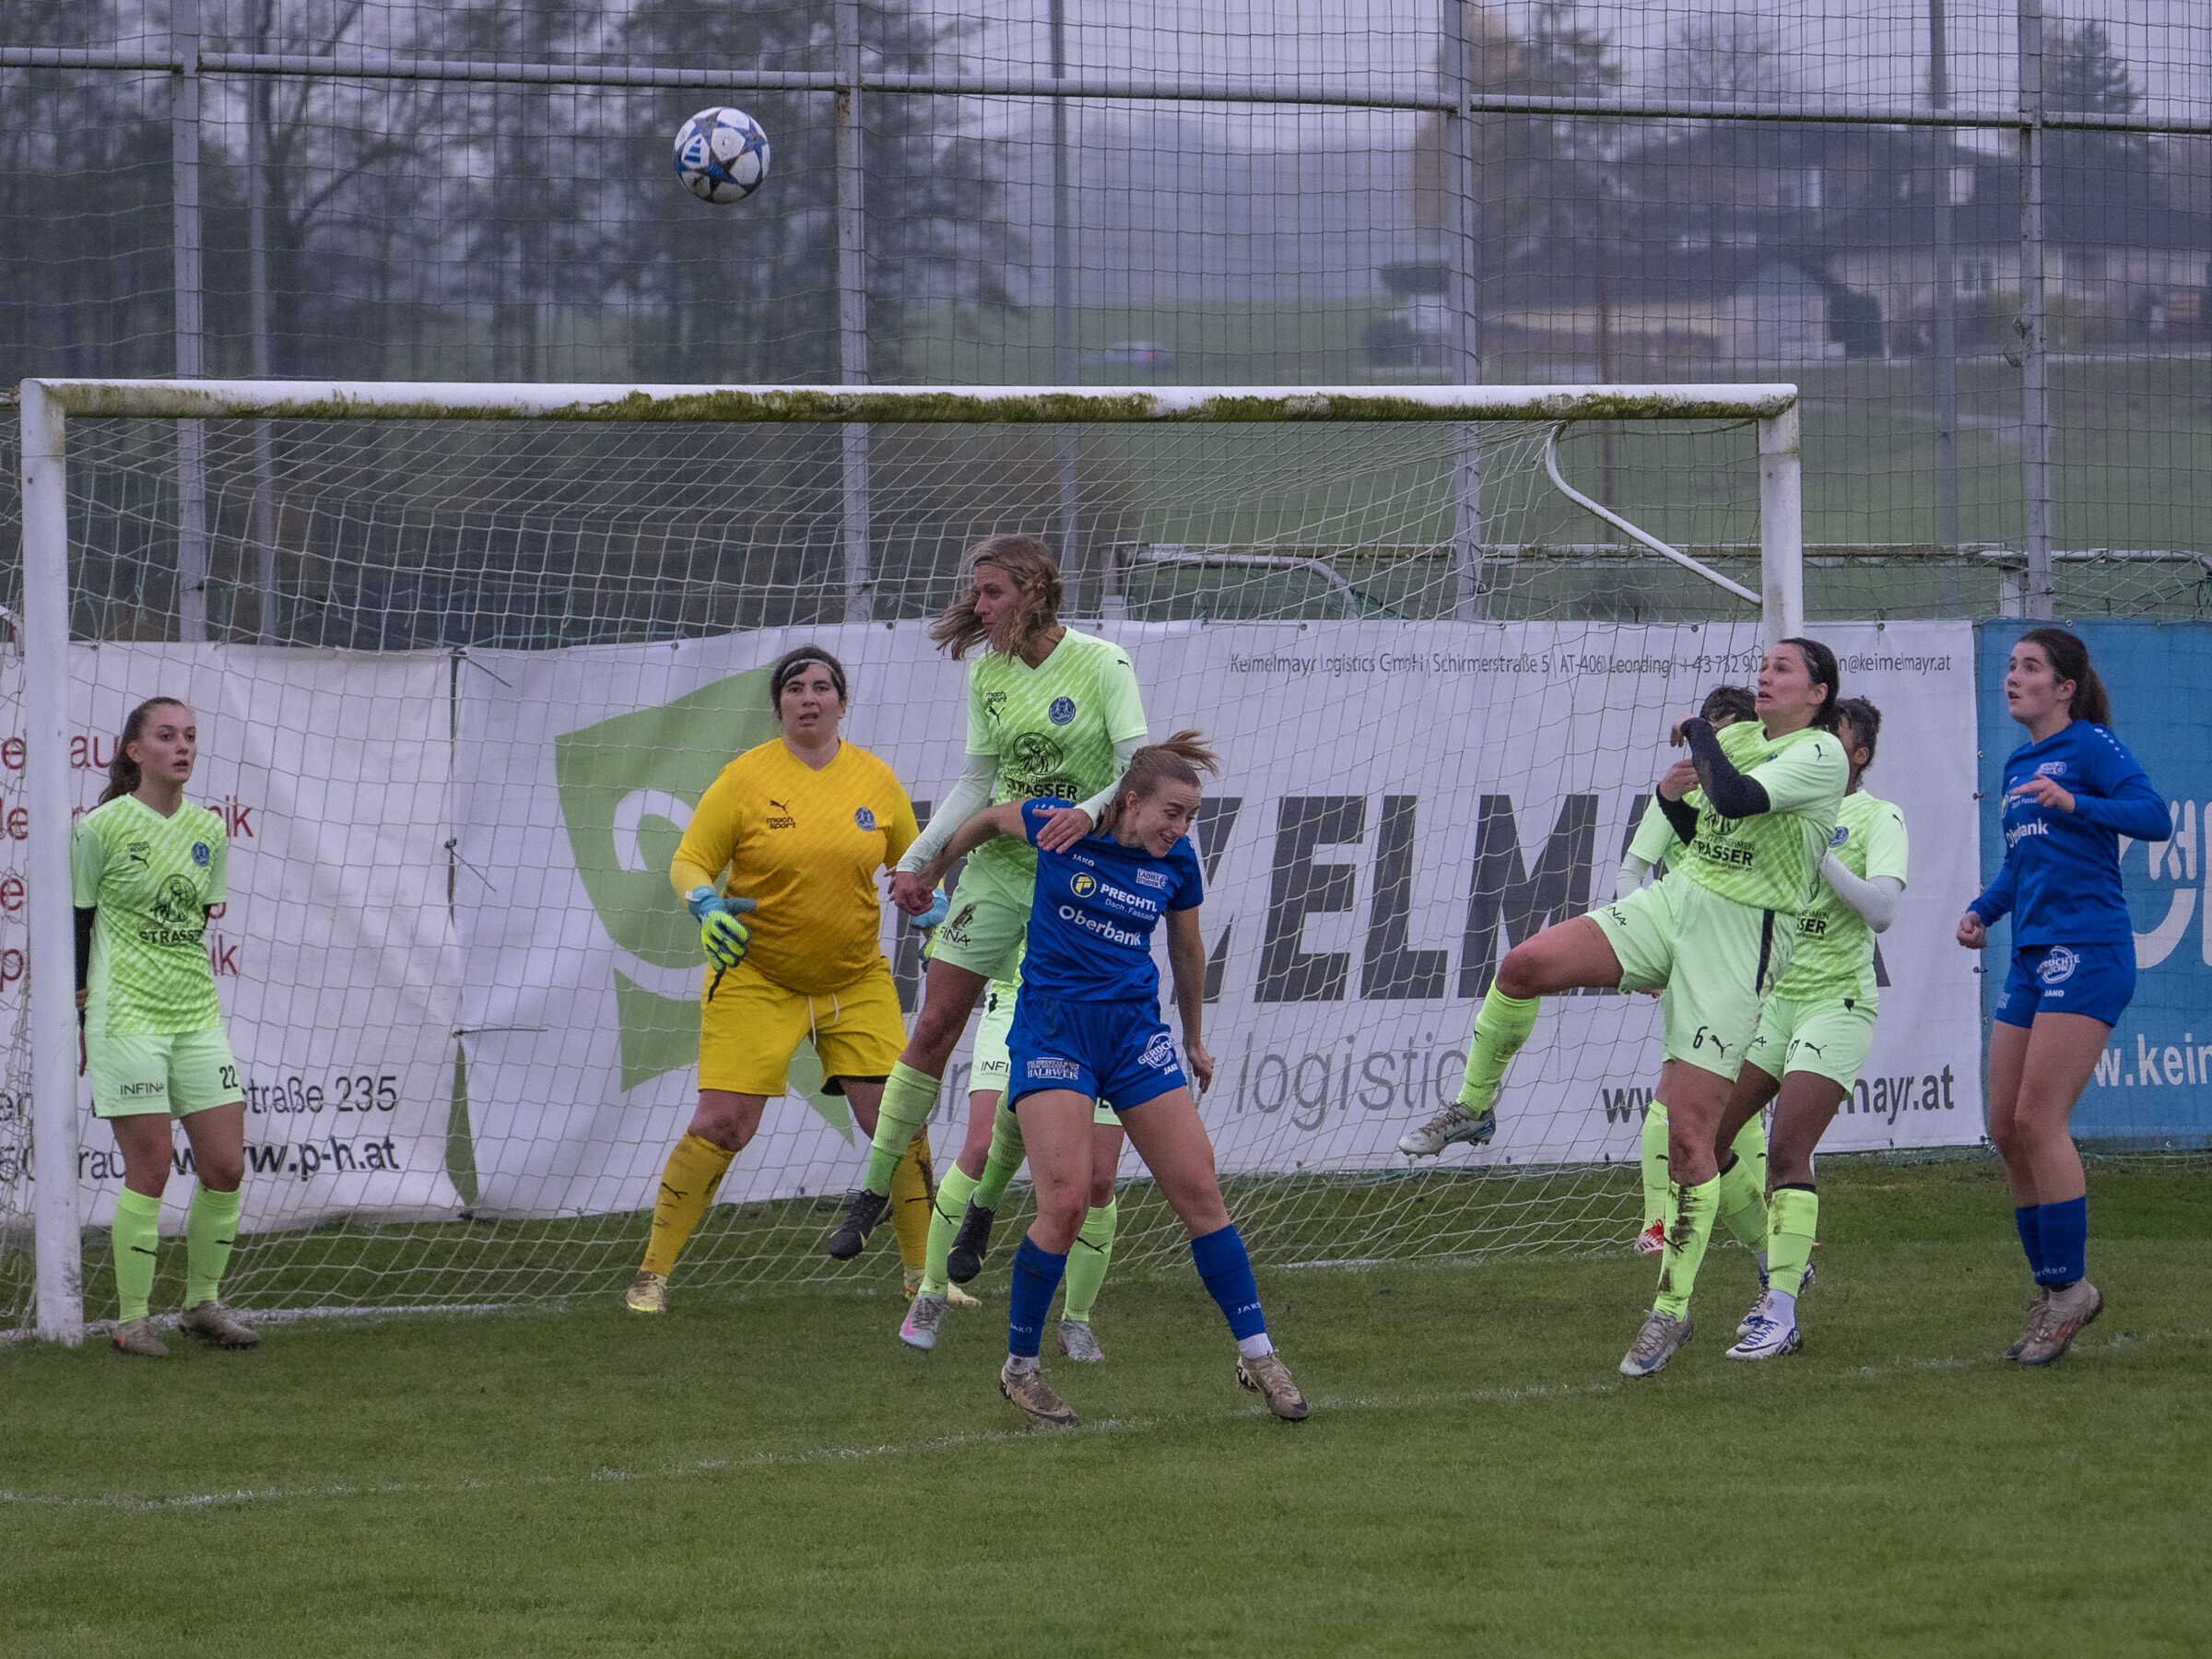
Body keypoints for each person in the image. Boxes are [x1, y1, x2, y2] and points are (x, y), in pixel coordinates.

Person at [1399, 640, 1849, 1378]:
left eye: (1783, 670)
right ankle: (1473, 1108)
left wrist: (1697, 731)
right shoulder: (1739, 736)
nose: (1765, 676)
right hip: (1677, 901)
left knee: (1690, 1137)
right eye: (1763, 666)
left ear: (1818, 692)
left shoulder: (1820, 754)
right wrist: (1671, 800)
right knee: (1522, 966)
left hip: (1739, 938)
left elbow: (1736, 799)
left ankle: (1672, 1310)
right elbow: (1707, 832)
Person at [910, 734, 1311, 1428]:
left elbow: (1186, 947)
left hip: (1132, 1036)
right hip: (1054, 1031)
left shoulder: (1176, 861)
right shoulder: (1060, 826)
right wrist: (935, 868)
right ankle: (1021, 1370)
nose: (1181, 829)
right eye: (1172, 813)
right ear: (1129, 801)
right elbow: (989, 817)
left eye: (1191, 817)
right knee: (1064, 1205)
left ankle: (1259, 1355)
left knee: (1201, 1194)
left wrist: (1193, 1038)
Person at [825, 535, 1147, 1262]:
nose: (979, 606)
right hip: (998, 872)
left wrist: (1085, 814)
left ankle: (984, 1203)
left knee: (1036, 1048)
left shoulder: (1103, 663)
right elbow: (977, 781)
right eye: (977, 592)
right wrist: (919, 861)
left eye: (992, 592)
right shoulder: (988, 673)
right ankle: (871, 1189)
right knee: (935, 1022)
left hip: (1079, 881)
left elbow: (1138, 768)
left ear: (1034, 589)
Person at [625, 647, 940, 1313]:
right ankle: (651, 1276)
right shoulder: (744, 778)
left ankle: (925, 1280)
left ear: (842, 703)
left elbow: (913, 867)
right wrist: (704, 904)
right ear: (778, 706)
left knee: (898, 1121)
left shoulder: (876, 780)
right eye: (795, 687)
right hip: (757, 979)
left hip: (856, 981)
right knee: (723, 1123)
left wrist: (931, 904)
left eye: (822, 687)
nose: (809, 697)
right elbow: (689, 861)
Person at [1958, 629, 2167, 1366]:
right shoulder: (2018, 763)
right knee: (2005, 1126)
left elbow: (2154, 816)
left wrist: (2076, 800)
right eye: (2011, 666)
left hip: (2091, 951)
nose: (2013, 678)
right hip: (2031, 955)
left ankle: (2070, 1290)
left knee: (2039, 1119)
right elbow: (2023, 864)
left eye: (2030, 668)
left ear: (2065, 687)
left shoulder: (2091, 746)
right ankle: (2055, 1292)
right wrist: (1983, 911)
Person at [1713, 697, 1906, 1359]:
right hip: (1776, 1002)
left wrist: (1822, 853)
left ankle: (1782, 1314)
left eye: (1836, 736)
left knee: (1787, 1154)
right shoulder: (1787, 800)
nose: (1820, 744)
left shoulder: (1879, 816)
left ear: (1860, 757)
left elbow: (1882, 911)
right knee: (1705, 1143)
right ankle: (1777, 1265)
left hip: (1836, 1003)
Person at [72, 698, 259, 1356]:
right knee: (150, 1169)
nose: (183, 747)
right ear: (134, 751)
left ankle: (202, 1305)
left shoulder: (209, 828)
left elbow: (195, 922)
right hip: (126, 1017)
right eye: (167, 736)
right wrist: (82, 1010)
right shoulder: (100, 827)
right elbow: (79, 919)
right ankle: (131, 1322)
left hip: (195, 1016)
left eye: (190, 736)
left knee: (226, 1166)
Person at [899, 959, 1123, 1358]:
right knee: (981, 1148)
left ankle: (1076, 1321)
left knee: (1099, 1180)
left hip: (1104, 1013)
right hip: (1017, 1002)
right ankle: (931, 1293)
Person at [1615, 683, 1762, 1257]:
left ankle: (1766, 1223)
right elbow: (1631, 873)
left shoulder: (1756, 793)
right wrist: (1651, 949)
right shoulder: (1682, 785)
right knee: (1676, 1087)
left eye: (1729, 735)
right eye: (1712, 733)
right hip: (1692, 954)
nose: (1716, 747)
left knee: (1743, 1093)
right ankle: (1657, 1223)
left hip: (1747, 955)